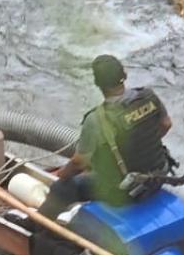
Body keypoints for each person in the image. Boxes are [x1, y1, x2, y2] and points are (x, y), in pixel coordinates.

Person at [38, 55, 176, 218]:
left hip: (125, 192)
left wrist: (59, 176)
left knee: (62, 188)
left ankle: (37, 224)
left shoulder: (97, 119)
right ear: (124, 75)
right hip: (158, 177)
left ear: (98, 83)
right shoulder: (148, 96)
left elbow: (79, 162)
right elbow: (166, 124)